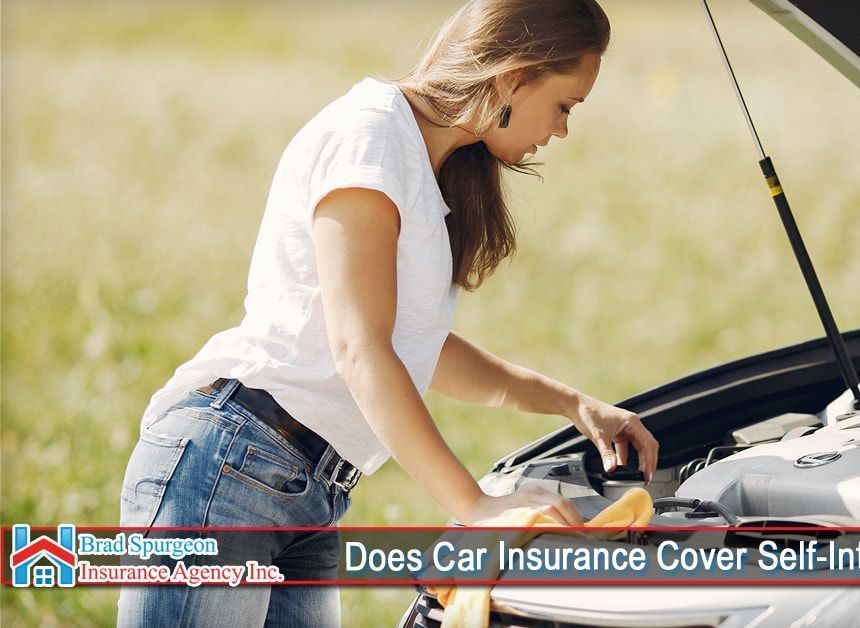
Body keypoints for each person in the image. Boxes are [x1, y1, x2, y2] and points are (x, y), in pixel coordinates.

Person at [117, 0, 657, 624]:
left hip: (306, 491)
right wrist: (476, 506)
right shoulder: (369, 137)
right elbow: (360, 350)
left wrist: (572, 403)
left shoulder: (430, 167)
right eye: (566, 105)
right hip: (229, 466)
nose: (562, 130)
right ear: (515, 73)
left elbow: (415, 347)